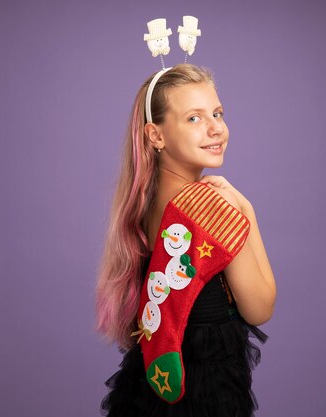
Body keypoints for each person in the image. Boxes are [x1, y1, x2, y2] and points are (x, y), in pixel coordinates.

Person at [96, 63, 276, 416]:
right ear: (156, 135)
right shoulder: (210, 208)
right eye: (194, 118)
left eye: (217, 113)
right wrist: (246, 211)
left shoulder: (146, 201)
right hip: (202, 389)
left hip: (153, 382)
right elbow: (260, 308)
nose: (215, 128)